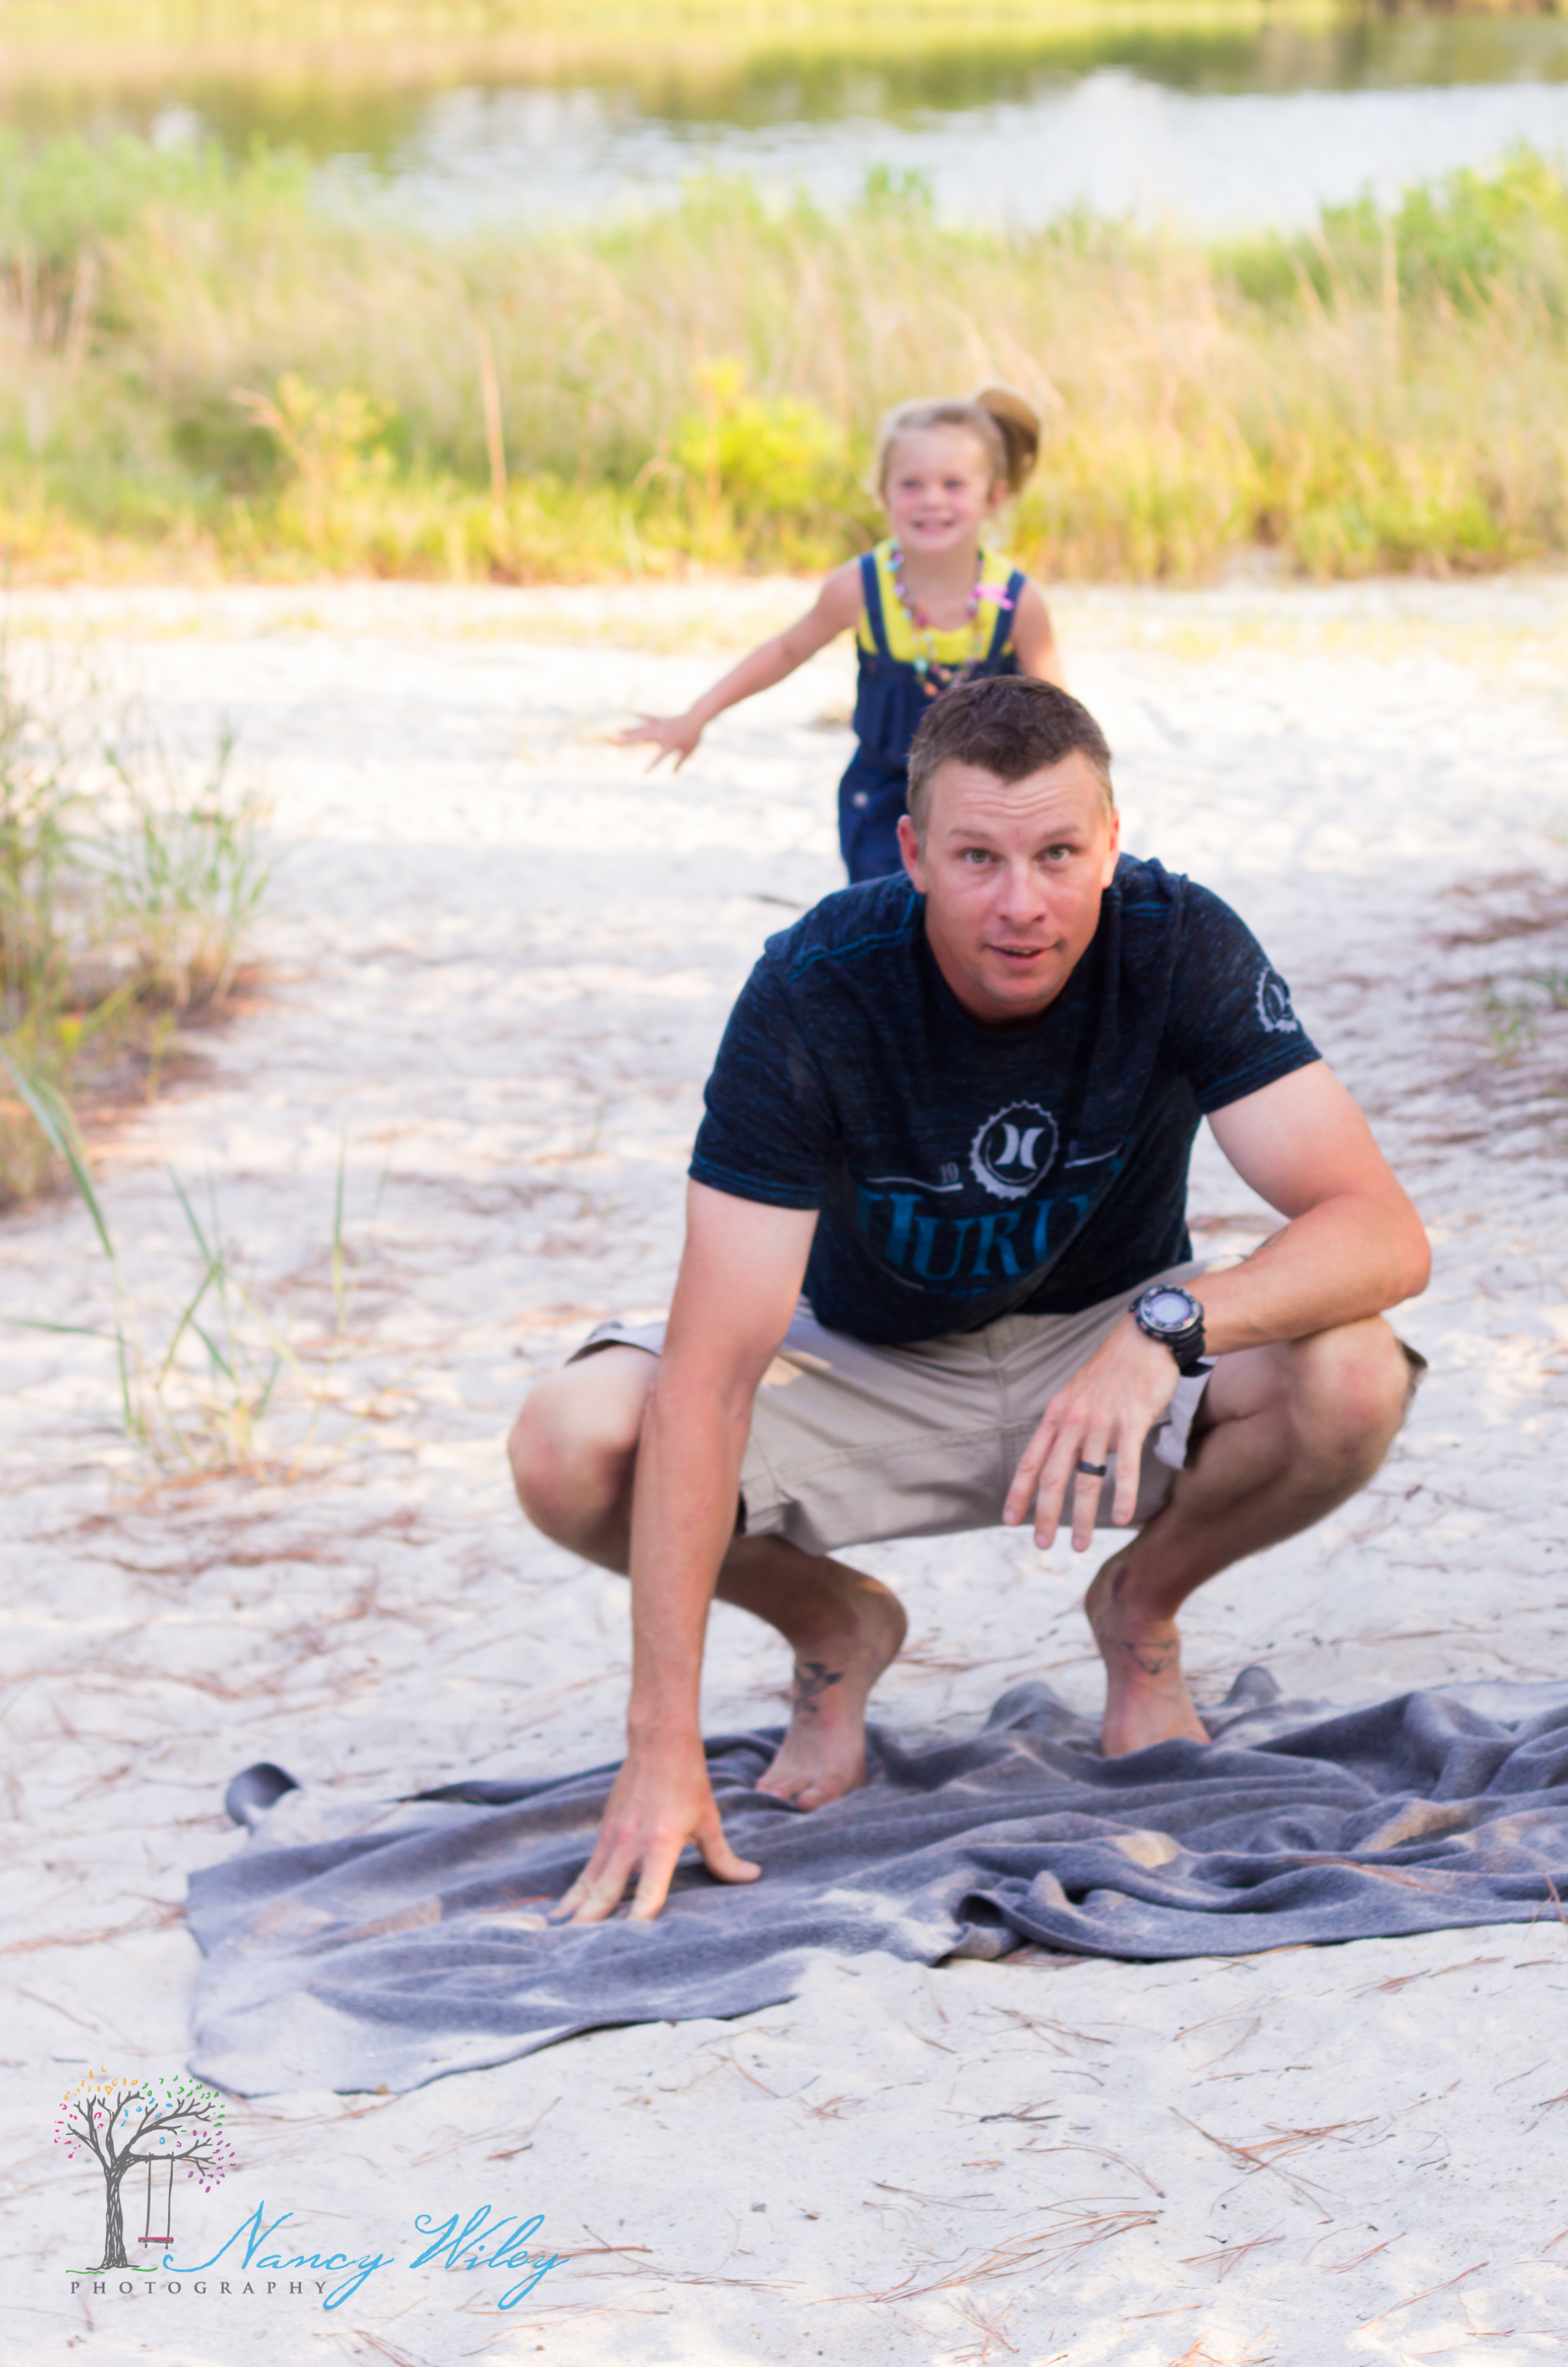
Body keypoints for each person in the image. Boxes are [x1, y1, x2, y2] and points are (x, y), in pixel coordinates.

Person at [510, 675, 1431, 1923]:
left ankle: (1140, 1608)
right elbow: (713, 1374)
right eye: (977, 858)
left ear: (1109, 839)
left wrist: (1163, 1331)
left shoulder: (1177, 939)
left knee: (1355, 1372)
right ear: (911, 854)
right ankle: (833, 1624)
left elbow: (1378, 1229)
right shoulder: (814, 988)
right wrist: (659, 1744)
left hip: (1109, 1337)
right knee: (569, 1442)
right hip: (860, 1357)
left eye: (1057, 854)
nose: (1021, 905)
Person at [616, 386, 1063, 883]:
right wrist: (696, 715)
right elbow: (786, 650)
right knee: (884, 916)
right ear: (883, 494)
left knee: (975, 912)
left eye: (953, 484)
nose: (931, 500)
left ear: (993, 497)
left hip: (992, 799)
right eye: (911, 484)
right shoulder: (859, 588)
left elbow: (1060, 714)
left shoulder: (1018, 603)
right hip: (884, 799)